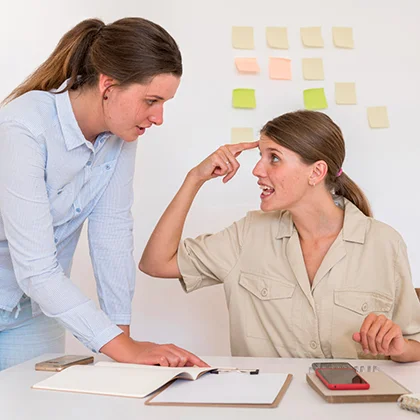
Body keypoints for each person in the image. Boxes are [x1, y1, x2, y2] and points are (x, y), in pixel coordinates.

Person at [0, 17, 206, 371]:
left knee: (38, 406)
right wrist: (124, 347)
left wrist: (124, 350)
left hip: (35, 310)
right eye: (151, 100)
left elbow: (111, 235)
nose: (158, 117)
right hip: (35, 283)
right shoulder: (23, 128)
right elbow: (35, 269)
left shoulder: (119, 136)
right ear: (108, 86)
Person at [140, 110, 420, 362]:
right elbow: (156, 263)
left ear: (316, 172)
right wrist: (194, 179)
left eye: (273, 158)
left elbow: (414, 341)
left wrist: (399, 348)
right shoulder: (247, 234)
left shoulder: (384, 244)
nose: (257, 170)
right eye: (260, 156)